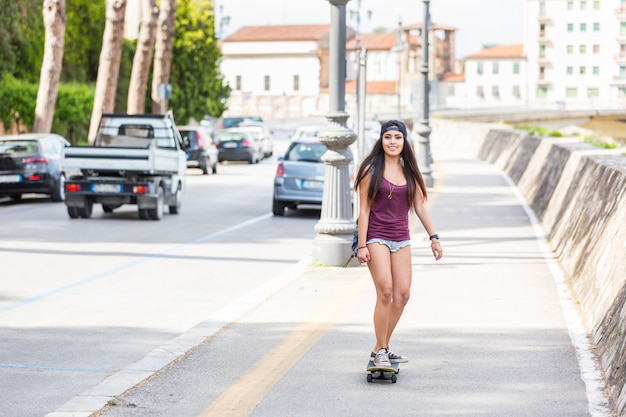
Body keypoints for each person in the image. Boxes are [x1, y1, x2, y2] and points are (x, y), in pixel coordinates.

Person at [353, 119, 443, 368]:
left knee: (402, 295)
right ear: (381, 141)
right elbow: (363, 210)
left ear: (404, 141)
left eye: (397, 137)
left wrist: (434, 237)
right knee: (386, 292)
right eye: (388, 137)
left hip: (401, 238)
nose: (392, 142)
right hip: (376, 237)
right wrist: (362, 246)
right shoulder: (370, 170)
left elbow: (420, 207)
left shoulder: (410, 172)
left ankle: (380, 348)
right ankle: (381, 349)